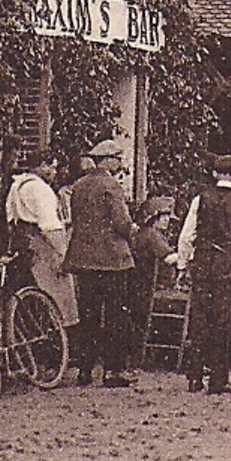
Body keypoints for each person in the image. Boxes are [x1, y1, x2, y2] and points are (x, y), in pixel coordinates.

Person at [176, 155, 231, 394]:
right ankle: (218, 380)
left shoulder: (200, 200)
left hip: (203, 263)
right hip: (228, 265)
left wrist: (182, 265)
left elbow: (186, 236)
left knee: (200, 319)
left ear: (214, 174)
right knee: (222, 321)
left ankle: (195, 378)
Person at [61, 139, 136, 387]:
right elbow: (121, 223)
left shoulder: (79, 186)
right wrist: (133, 231)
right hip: (112, 260)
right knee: (115, 315)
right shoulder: (111, 186)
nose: (120, 163)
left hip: (84, 259)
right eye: (117, 158)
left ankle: (85, 370)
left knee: (88, 315)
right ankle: (113, 371)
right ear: (106, 160)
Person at [4, 150, 78, 331]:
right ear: (42, 166)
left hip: (22, 247)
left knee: (25, 301)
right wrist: (64, 253)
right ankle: (59, 340)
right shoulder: (40, 190)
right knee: (58, 299)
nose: (54, 172)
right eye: (52, 167)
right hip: (42, 248)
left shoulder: (17, 185)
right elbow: (50, 226)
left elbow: (10, 216)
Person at [127, 198, 175, 366]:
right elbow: (169, 258)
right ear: (153, 217)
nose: (167, 220)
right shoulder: (152, 235)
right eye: (164, 216)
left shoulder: (142, 233)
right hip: (147, 285)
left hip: (137, 284)